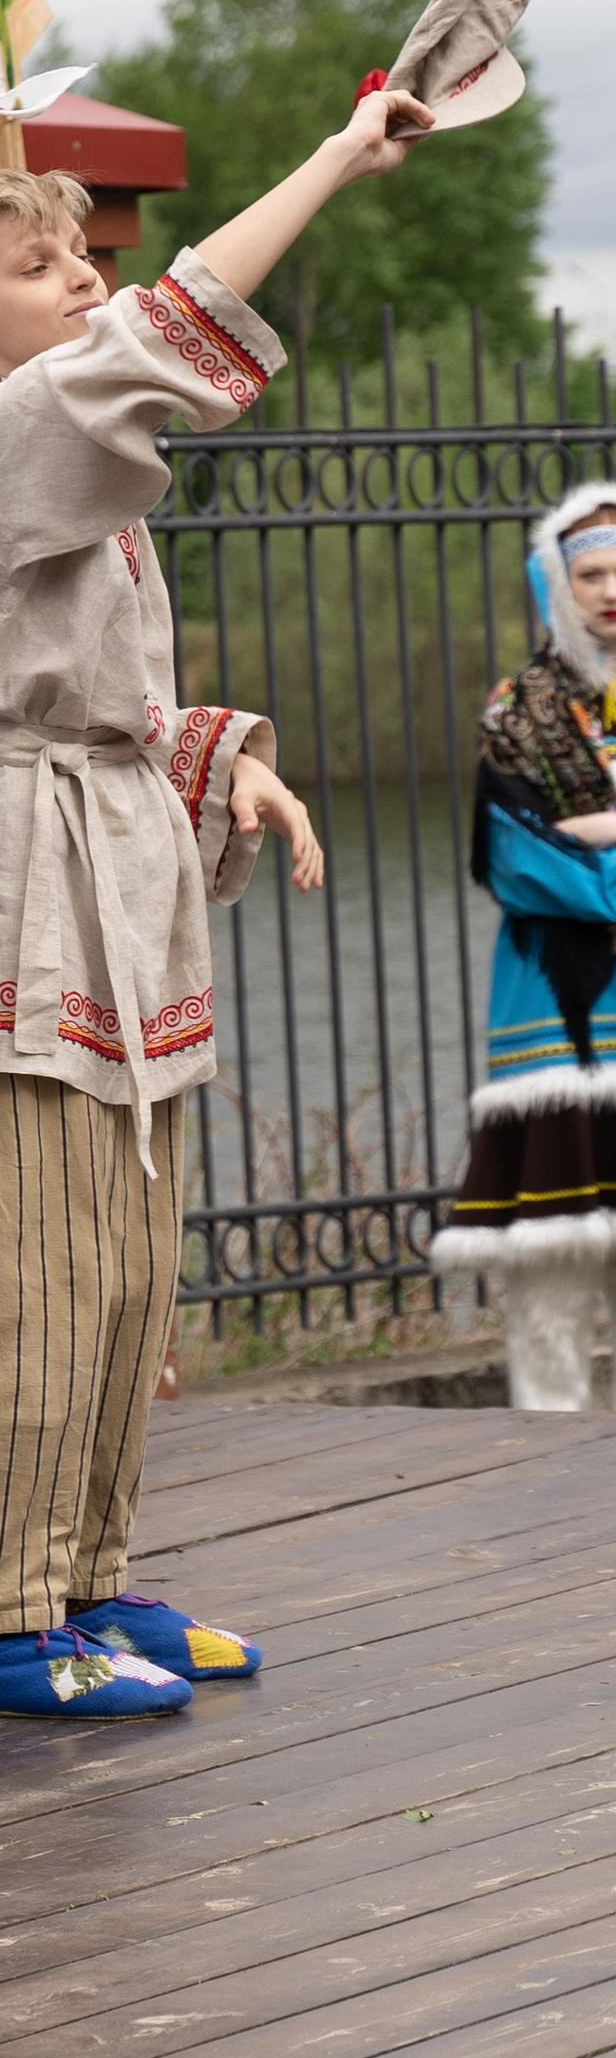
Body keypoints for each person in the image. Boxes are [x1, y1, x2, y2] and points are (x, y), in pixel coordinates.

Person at [0, 87, 424, 1717]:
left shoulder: (70, 463)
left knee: (122, 1274)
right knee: (36, 1273)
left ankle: (84, 1578)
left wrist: (217, 757)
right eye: (46, 266)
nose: (91, 282)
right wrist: (334, 155)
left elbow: (78, 687)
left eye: (85, 254)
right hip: (21, 888)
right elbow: (181, 332)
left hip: (106, 866)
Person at [432, 484, 616, 1403]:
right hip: (554, 1011)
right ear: (557, 583)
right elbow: (519, 860)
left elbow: (569, 844)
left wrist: (599, 828)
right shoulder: (519, 711)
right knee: (555, 1255)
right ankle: (546, 1444)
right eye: (591, 571)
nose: (611, 587)